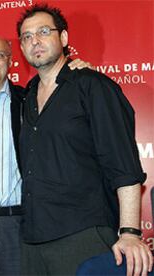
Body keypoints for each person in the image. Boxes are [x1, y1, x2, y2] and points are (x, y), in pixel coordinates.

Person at [17, 3, 153, 275]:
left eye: (44, 31)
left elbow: (124, 166)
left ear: (64, 38)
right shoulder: (27, 96)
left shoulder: (94, 87)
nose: (35, 41)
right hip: (32, 239)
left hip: (82, 234)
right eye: (27, 36)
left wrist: (129, 232)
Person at [0, 35, 90, 275]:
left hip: (18, 223)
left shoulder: (29, 101)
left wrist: (80, 72)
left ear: (10, 61)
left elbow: (64, 100)